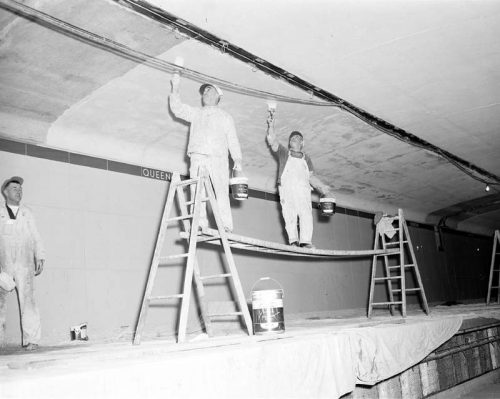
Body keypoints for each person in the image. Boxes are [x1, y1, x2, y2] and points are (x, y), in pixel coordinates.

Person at [169, 74, 243, 232]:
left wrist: (237, 159)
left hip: (218, 158)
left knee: (221, 191)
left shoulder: (225, 117)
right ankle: (200, 224)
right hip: (198, 157)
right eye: (204, 92)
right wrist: (175, 88)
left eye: (209, 91)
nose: (205, 94)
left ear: (218, 95)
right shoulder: (196, 113)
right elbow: (178, 109)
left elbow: (233, 140)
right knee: (197, 192)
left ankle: (226, 225)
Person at [266, 114, 332, 248]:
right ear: (289, 142)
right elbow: (273, 142)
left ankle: (305, 241)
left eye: (298, 138)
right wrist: (271, 126)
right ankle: (293, 241)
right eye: (292, 138)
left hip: (303, 189)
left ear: (302, 143)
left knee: (306, 214)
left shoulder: (307, 159)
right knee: (289, 214)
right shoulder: (284, 153)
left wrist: (321, 187)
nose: (295, 139)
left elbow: (311, 177)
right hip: (287, 189)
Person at [0, 176, 45, 350]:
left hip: (24, 264)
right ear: (5, 192)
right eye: (14, 189)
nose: (18, 192)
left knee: (28, 302)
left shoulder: (27, 212)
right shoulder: (0, 213)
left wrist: (40, 255)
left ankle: (32, 340)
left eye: (20, 189)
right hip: (4, 264)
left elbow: (36, 236)